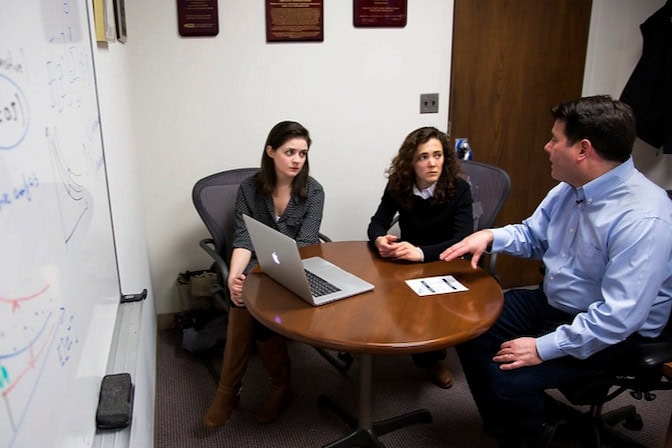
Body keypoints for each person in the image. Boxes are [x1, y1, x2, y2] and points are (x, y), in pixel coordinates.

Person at [440, 95, 672, 447]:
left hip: (619, 331)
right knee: (469, 325)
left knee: (508, 379)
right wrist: (489, 236)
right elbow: (534, 235)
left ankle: (544, 431)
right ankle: (526, 426)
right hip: (557, 303)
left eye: (554, 139)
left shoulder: (643, 217)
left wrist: (543, 348)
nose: (546, 147)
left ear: (583, 150)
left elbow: (618, 318)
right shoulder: (569, 189)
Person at [203, 120, 325, 428]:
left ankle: (274, 387)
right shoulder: (249, 189)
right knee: (241, 296)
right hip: (258, 263)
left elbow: (307, 244)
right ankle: (231, 391)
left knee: (254, 299)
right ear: (271, 151)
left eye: (302, 153)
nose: (297, 160)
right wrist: (234, 276)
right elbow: (243, 237)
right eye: (290, 152)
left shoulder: (314, 191)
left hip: (296, 266)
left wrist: (269, 276)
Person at [367, 126, 474, 389]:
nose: (432, 163)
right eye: (423, 157)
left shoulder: (459, 189)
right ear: (410, 163)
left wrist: (422, 252)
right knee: (378, 292)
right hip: (408, 260)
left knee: (427, 307)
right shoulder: (399, 186)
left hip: (446, 259)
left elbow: (463, 240)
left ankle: (432, 360)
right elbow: (377, 222)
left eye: (437, 155)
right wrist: (380, 239)